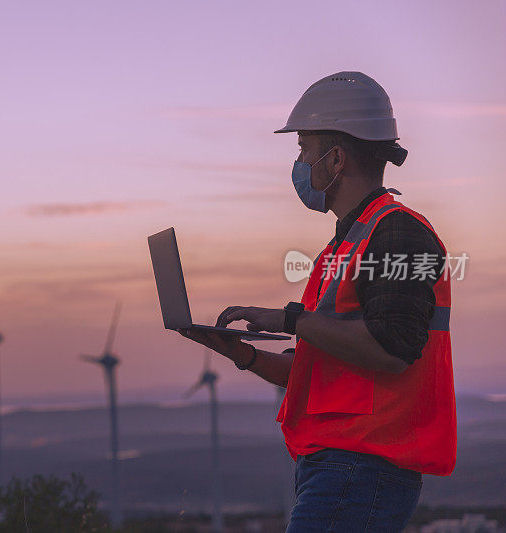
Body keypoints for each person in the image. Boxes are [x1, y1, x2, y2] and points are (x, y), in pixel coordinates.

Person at [176, 71, 456, 532]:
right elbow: (322, 372)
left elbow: (392, 348)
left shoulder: (398, 233)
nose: (300, 162)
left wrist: (289, 318)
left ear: (337, 158)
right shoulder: (348, 242)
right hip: (341, 465)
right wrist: (243, 354)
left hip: (364, 467)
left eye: (304, 148)